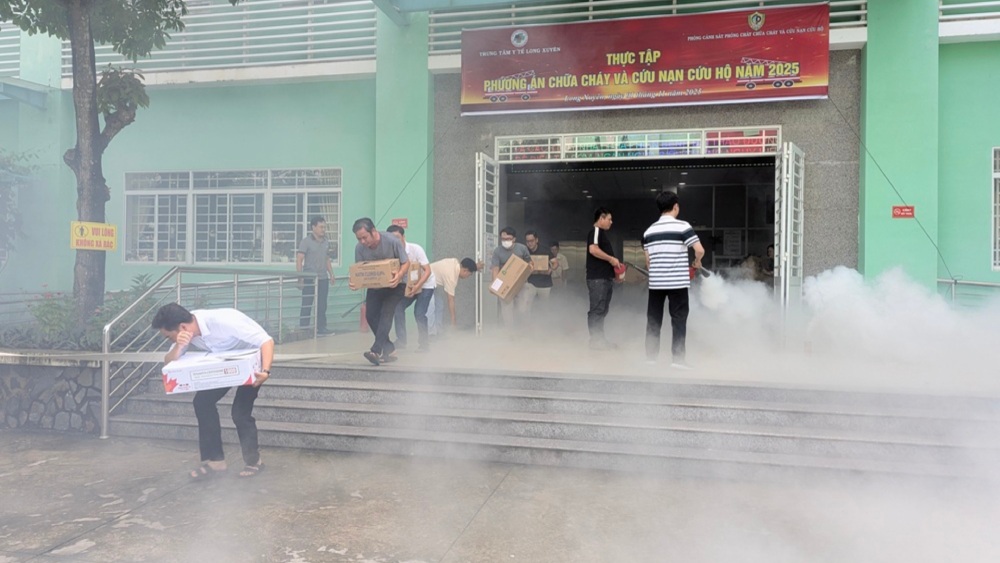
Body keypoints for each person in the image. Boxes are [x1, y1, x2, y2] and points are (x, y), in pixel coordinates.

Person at [151, 303, 273, 479]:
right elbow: (168, 362)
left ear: (182, 327)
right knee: (202, 402)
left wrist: (266, 371)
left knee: (239, 413)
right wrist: (178, 346)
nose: (169, 340)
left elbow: (266, 341)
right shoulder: (187, 331)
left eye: (169, 337)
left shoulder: (225, 321)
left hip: (252, 364)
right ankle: (216, 461)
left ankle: (254, 461)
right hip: (223, 364)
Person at [642, 191, 705, 369]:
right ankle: (677, 360)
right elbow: (699, 250)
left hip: (656, 283)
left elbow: (648, 261)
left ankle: (650, 359)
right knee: (678, 319)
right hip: (677, 283)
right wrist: (697, 261)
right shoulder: (683, 227)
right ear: (675, 206)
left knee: (654, 320)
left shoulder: (649, 231)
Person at [349, 217, 409, 366]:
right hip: (375, 285)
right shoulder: (359, 248)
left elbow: (406, 262)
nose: (362, 242)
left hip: (396, 284)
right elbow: (360, 270)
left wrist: (399, 275)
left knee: (386, 313)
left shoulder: (392, 241)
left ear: (373, 231)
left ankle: (376, 350)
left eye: (364, 237)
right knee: (370, 315)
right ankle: (389, 348)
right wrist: (356, 282)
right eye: (359, 238)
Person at [387, 225, 435, 352]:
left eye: (397, 238)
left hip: (425, 285)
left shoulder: (415, 249)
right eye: (391, 239)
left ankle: (424, 344)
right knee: (398, 307)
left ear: (403, 237)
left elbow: (428, 271)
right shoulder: (391, 254)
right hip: (409, 285)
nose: (395, 242)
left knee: (419, 313)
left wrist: (417, 287)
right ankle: (401, 340)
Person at [586, 207, 619, 349]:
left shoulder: (602, 233)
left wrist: (614, 272)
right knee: (597, 309)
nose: (611, 222)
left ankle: (599, 339)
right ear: (601, 218)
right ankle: (596, 341)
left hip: (604, 278)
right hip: (597, 278)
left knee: (602, 309)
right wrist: (611, 259)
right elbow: (593, 249)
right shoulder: (596, 231)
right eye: (609, 219)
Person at [296, 216, 335, 335]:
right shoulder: (306, 241)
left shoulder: (326, 241)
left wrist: (331, 274)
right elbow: (299, 260)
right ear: (313, 227)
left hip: (323, 278)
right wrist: (300, 278)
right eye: (321, 227)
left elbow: (327, 259)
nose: (323, 229)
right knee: (307, 303)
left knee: (322, 305)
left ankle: (321, 328)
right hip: (309, 278)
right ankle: (304, 329)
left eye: (324, 227)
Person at [490, 226, 532, 327]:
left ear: (514, 239)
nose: (505, 241)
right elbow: (495, 269)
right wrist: (496, 286)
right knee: (507, 311)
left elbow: (529, 262)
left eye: (508, 239)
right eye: (503, 239)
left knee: (522, 309)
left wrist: (530, 268)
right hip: (505, 285)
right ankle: (510, 334)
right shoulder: (497, 251)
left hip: (521, 284)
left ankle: (522, 330)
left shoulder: (522, 248)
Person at [428, 257, 478, 330]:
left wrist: (476, 266)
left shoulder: (455, 262)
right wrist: (453, 321)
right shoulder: (451, 277)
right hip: (425, 281)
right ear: (465, 271)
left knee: (439, 305)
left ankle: (437, 331)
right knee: (431, 306)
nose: (467, 277)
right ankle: (431, 333)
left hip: (433, 284)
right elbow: (451, 300)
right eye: (469, 275)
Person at [522, 230, 557, 319]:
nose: (529, 243)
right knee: (525, 306)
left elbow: (555, 263)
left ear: (536, 240)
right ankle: (527, 326)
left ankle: (543, 327)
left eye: (532, 241)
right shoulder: (524, 251)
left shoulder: (545, 250)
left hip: (545, 284)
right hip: (530, 283)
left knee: (544, 308)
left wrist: (551, 269)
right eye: (527, 241)